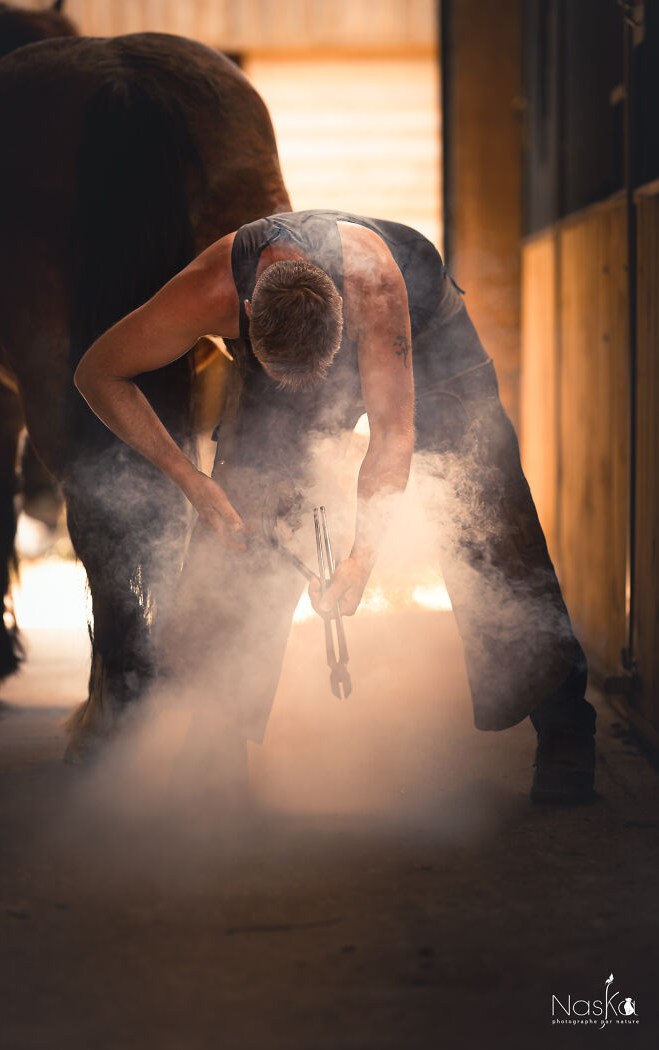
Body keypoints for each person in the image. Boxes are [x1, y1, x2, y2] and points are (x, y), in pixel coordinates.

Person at [75, 210, 596, 803]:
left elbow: (393, 434)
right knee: (247, 512)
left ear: (340, 314)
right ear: (244, 312)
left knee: (488, 505)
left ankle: (565, 725)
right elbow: (98, 373)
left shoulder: (373, 285)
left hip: (427, 338)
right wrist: (191, 481)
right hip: (289, 346)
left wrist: (360, 558)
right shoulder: (208, 290)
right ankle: (214, 733)